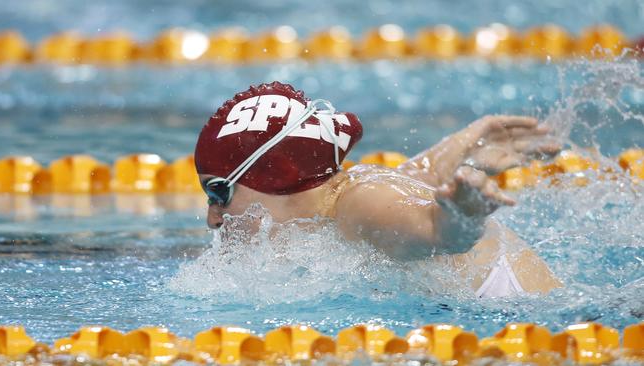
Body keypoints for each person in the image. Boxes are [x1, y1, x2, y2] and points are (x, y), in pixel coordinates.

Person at [194, 81, 562, 298]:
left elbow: (439, 233)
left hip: (534, 329)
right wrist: (464, 144)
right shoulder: (351, 194)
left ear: (276, 176)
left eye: (218, 193)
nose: (213, 217)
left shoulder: (361, 204)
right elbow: (418, 176)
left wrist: (463, 215)